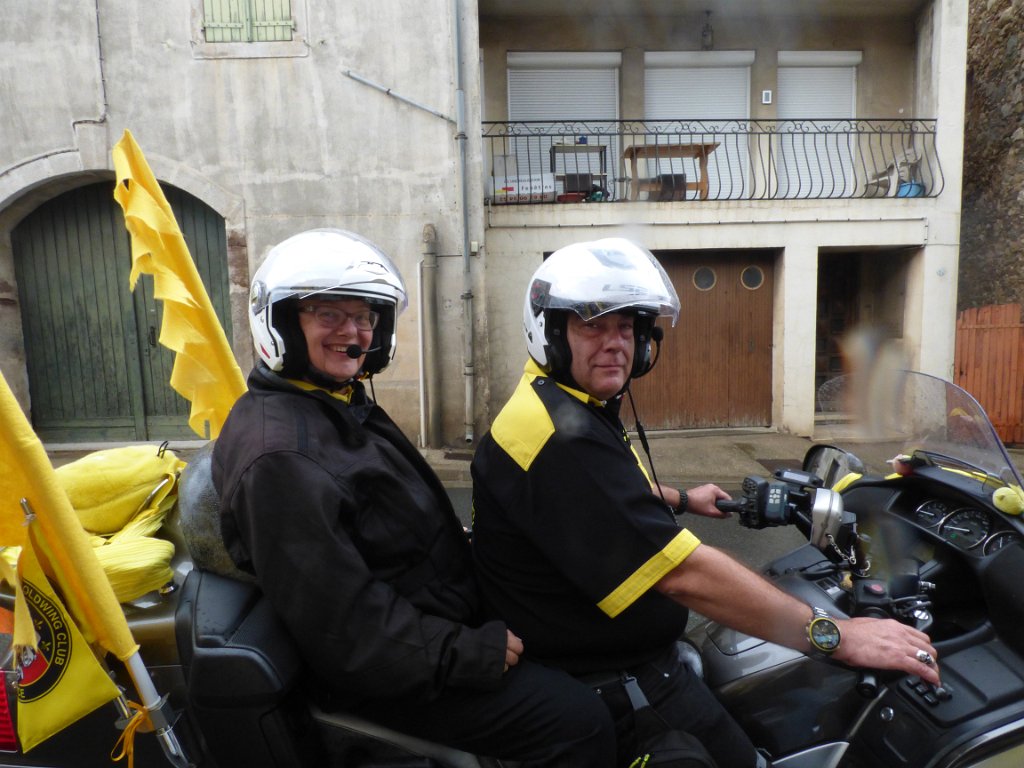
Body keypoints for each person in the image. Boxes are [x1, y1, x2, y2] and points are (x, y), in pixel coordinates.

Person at [470, 237, 941, 768]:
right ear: (551, 332)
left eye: (626, 328)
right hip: (618, 681)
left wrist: (682, 499)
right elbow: (683, 574)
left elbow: (602, 497)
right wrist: (835, 635)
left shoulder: (558, 405)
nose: (615, 343)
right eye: (593, 326)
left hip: (615, 661)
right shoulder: (559, 437)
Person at [211, 228, 615, 766]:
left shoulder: (332, 405)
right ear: (281, 322)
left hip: (432, 630)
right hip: (393, 673)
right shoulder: (282, 458)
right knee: (580, 721)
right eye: (328, 314)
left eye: (365, 316)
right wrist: (469, 653)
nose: (353, 332)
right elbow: (347, 632)